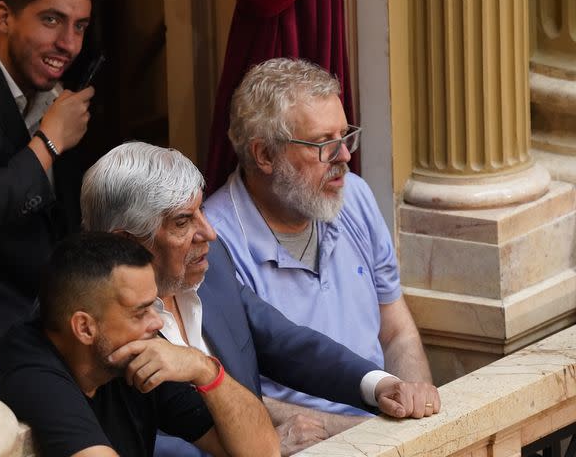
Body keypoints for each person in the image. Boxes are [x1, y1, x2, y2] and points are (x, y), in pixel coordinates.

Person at [80, 142, 441, 457]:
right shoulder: (98, 327)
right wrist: (259, 445)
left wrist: (377, 385)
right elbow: (142, 442)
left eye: (201, 211)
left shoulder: (212, 266)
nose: (208, 232)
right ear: (125, 243)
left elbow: (287, 343)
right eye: (182, 222)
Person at [203, 57, 433, 437]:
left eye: (344, 136)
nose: (344, 157)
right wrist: (363, 431)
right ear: (264, 155)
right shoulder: (214, 243)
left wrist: (419, 411)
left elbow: (395, 331)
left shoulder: (352, 196)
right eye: (324, 144)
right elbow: (227, 394)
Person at [0, 232, 279, 457]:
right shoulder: (30, 368)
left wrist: (204, 369)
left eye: (153, 306)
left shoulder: (135, 352)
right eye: (140, 312)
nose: (157, 322)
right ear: (84, 327)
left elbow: (263, 450)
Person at [0, 0, 100, 353]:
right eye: (52, 21)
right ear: (4, 16)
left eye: (80, 27)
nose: (68, 43)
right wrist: (48, 143)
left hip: (60, 312)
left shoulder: (56, 97)